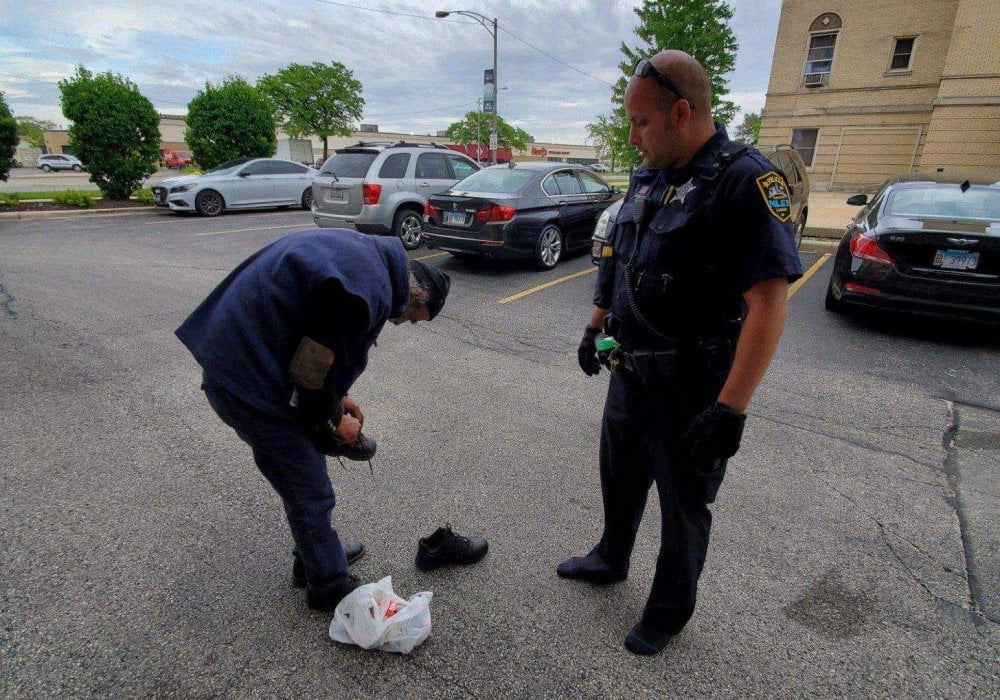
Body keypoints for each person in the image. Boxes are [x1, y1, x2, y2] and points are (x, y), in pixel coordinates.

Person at [559, 50, 803, 655]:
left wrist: (731, 409)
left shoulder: (746, 180)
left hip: (695, 387)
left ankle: (668, 612)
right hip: (631, 370)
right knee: (619, 477)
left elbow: (770, 301)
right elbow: (618, 257)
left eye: (641, 122)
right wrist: (595, 325)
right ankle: (611, 557)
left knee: (683, 505)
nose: (631, 135)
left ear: (683, 112)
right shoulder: (650, 172)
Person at [176, 228, 486, 613]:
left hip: (240, 360)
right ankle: (328, 585)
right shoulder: (364, 295)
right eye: (415, 319)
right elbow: (309, 373)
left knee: (301, 471)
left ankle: (313, 557)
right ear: (415, 296)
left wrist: (337, 396)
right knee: (308, 487)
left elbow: (316, 339)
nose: (403, 324)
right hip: (246, 381)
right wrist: (334, 422)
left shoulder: (367, 262)